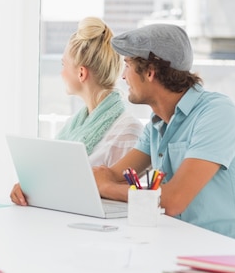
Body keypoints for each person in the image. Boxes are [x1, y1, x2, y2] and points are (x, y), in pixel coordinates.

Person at [93, 23, 235, 241]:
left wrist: (107, 187)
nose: (123, 77)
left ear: (150, 72)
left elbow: (174, 200)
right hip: (177, 247)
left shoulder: (217, 114)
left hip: (224, 256)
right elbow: (112, 174)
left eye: (127, 65)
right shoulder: (156, 126)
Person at [10, 17, 142, 205]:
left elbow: (123, 200)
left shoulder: (127, 132)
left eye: (63, 65)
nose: (61, 73)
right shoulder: (75, 126)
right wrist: (29, 188)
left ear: (81, 73)